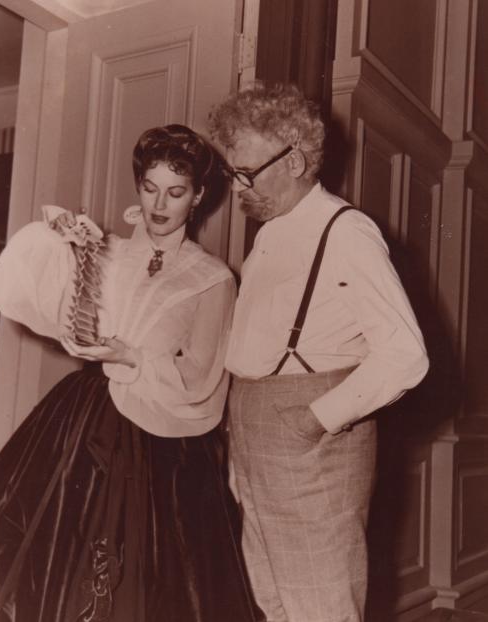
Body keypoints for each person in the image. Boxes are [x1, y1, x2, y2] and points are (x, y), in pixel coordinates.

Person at [0, 124, 262, 622]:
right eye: (150, 188)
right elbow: (23, 291)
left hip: (165, 439)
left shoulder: (213, 278)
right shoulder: (104, 251)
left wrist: (135, 359)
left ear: (198, 196)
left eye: (176, 192)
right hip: (83, 420)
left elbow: (204, 376)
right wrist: (54, 242)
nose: (160, 205)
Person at [208, 83, 429, 622]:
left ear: (298, 159)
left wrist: (315, 419)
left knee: (322, 604)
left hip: (309, 440)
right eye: (233, 173)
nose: (238, 189)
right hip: (254, 433)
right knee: (272, 598)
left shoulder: (346, 231)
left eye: (249, 173)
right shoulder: (272, 233)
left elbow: (405, 354)